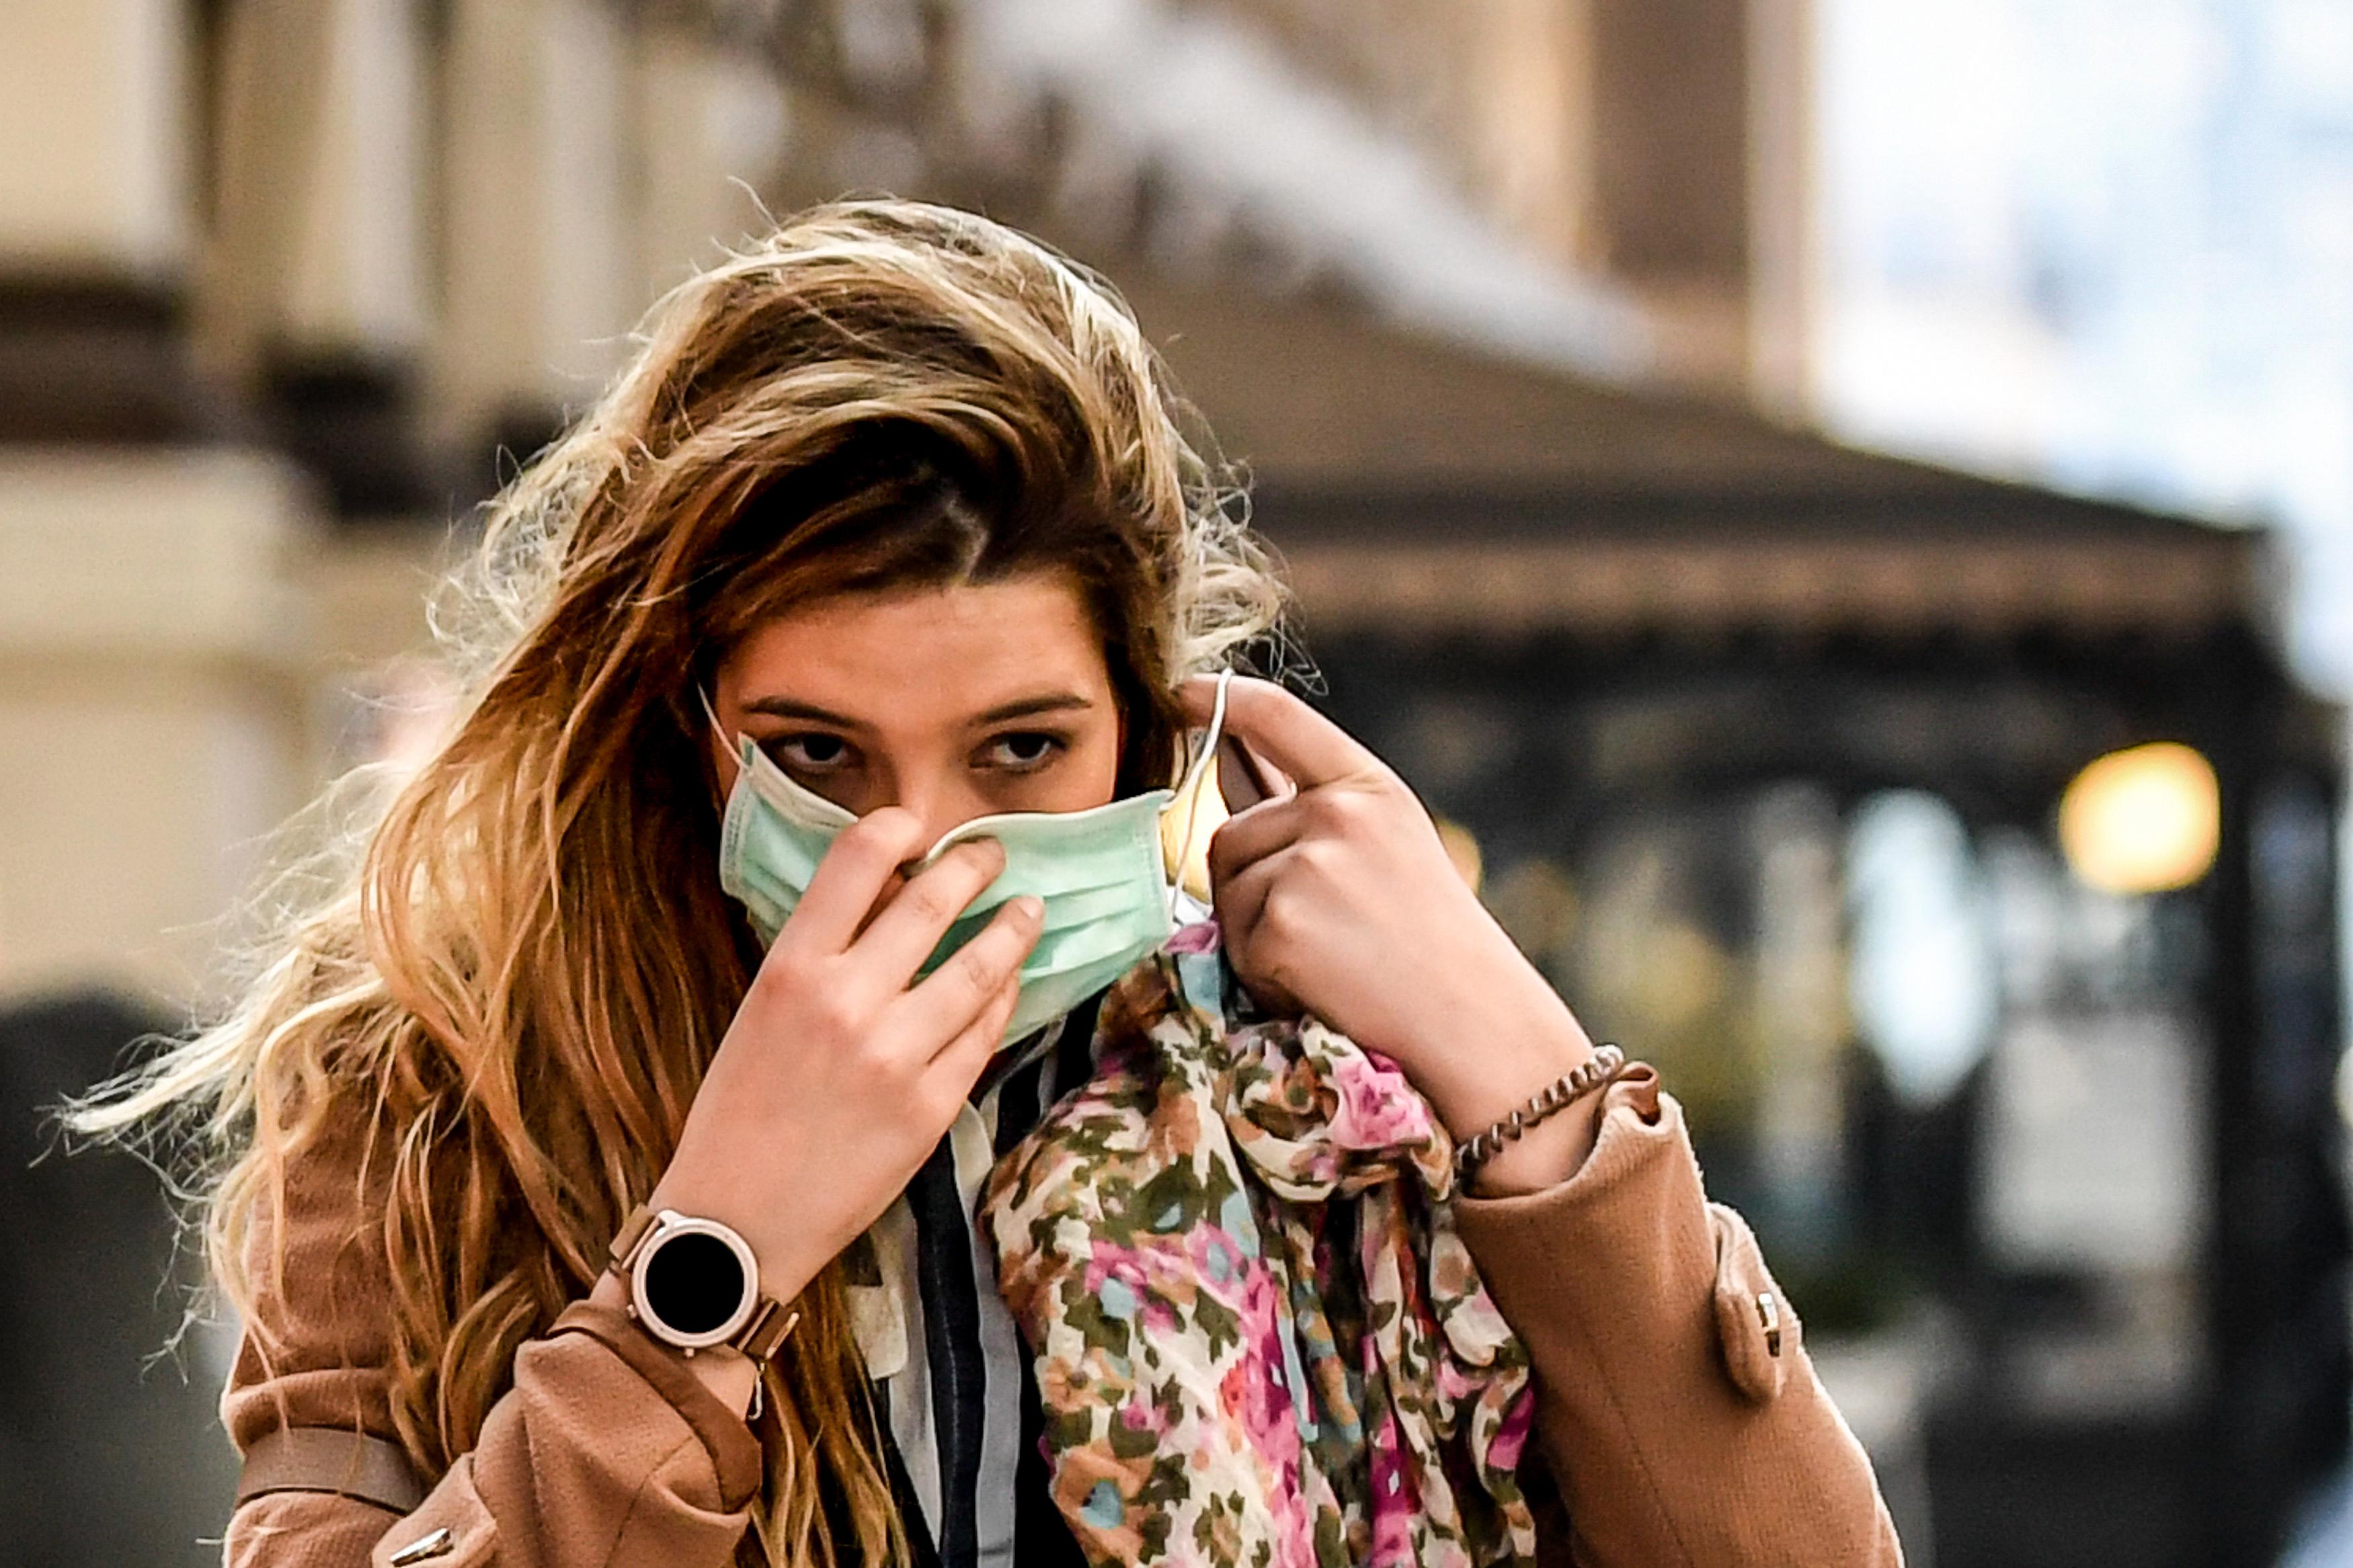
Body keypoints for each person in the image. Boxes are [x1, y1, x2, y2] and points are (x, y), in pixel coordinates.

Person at [77, 200, 1900, 1567]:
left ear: (1150, 723)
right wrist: (708, 1264)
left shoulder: (1352, 1091)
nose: (926, 854)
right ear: (677, 724)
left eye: (1020, 751)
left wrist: (1526, 1081)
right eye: (817, 757)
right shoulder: (432, 1093)